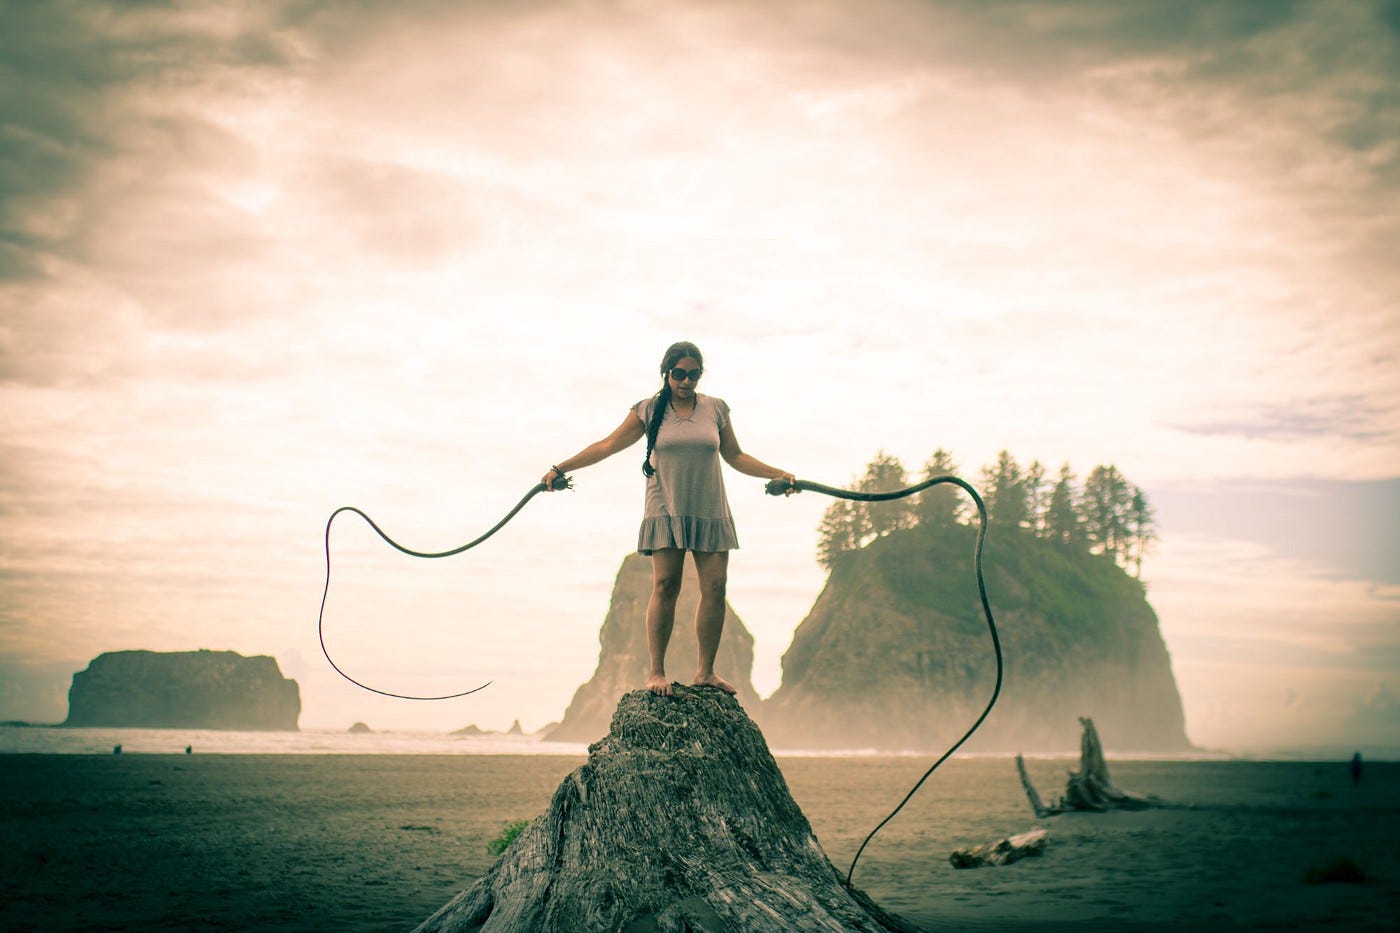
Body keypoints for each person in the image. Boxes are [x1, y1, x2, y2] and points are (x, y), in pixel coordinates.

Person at [543, 341, 795, 697]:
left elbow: (735, 456)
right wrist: (560, 468)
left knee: (716, 588)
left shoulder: (716, 409)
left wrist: (779, 473)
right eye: (679, 374)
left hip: (709, 509)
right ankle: (656, 672)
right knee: (666, 587)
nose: (686, 381)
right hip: (665, 508)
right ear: (667, 373)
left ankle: (705, 672)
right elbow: (606, 445)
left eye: (693, 374)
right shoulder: (648, 410)